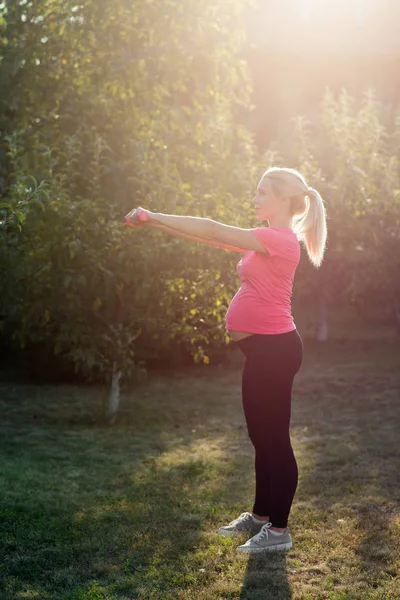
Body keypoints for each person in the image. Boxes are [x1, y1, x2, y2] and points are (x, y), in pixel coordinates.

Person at [125, 166, 328, 553]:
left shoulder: (281, 240)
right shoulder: (264, 239)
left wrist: (154, 214)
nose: (255, 199)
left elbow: (214, 229)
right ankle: (261, 515)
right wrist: (154, 223)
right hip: (263, 350)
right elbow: (208, 237)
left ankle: (279, 533)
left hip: (275, 349)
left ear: (283, 199)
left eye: (261, 193)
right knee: (260, 437)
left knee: (274, 440)